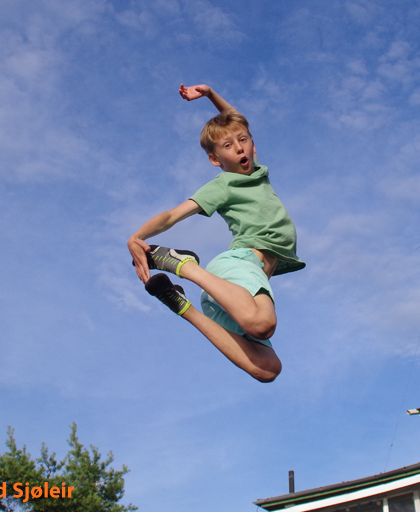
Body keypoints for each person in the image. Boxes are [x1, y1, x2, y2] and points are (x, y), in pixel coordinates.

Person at [127, 84, 305, 383]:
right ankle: (185, 266)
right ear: (215, 159)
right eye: (227, 146)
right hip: (238, 265)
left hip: (230, 292)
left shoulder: (257, 175)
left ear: (252, 145)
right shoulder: (224, 184)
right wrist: (136, 237)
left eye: (243, 141)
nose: (239, 148)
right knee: (262, 324)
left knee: (266, 368)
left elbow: (236, 120)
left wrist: (210, 94)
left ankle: (180, 304)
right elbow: (173, 215)